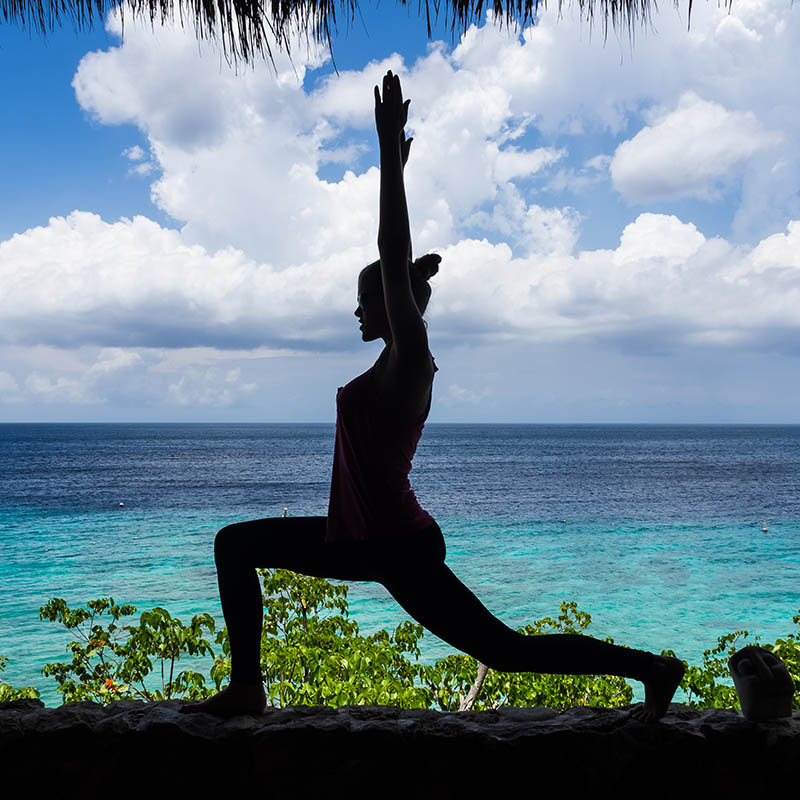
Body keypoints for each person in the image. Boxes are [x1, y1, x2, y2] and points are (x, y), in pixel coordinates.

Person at [181, 70, 685, 722]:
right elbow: (392, 267)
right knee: (235, 545)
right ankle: (247, 688)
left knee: (504, 651)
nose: (356, 311)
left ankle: (652, 669)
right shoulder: (391, 363)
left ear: (393, 305)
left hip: (394, 545)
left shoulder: (410, 362)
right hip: (356, 539)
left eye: (367, 301)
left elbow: (392, 252)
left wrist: (389, 153)